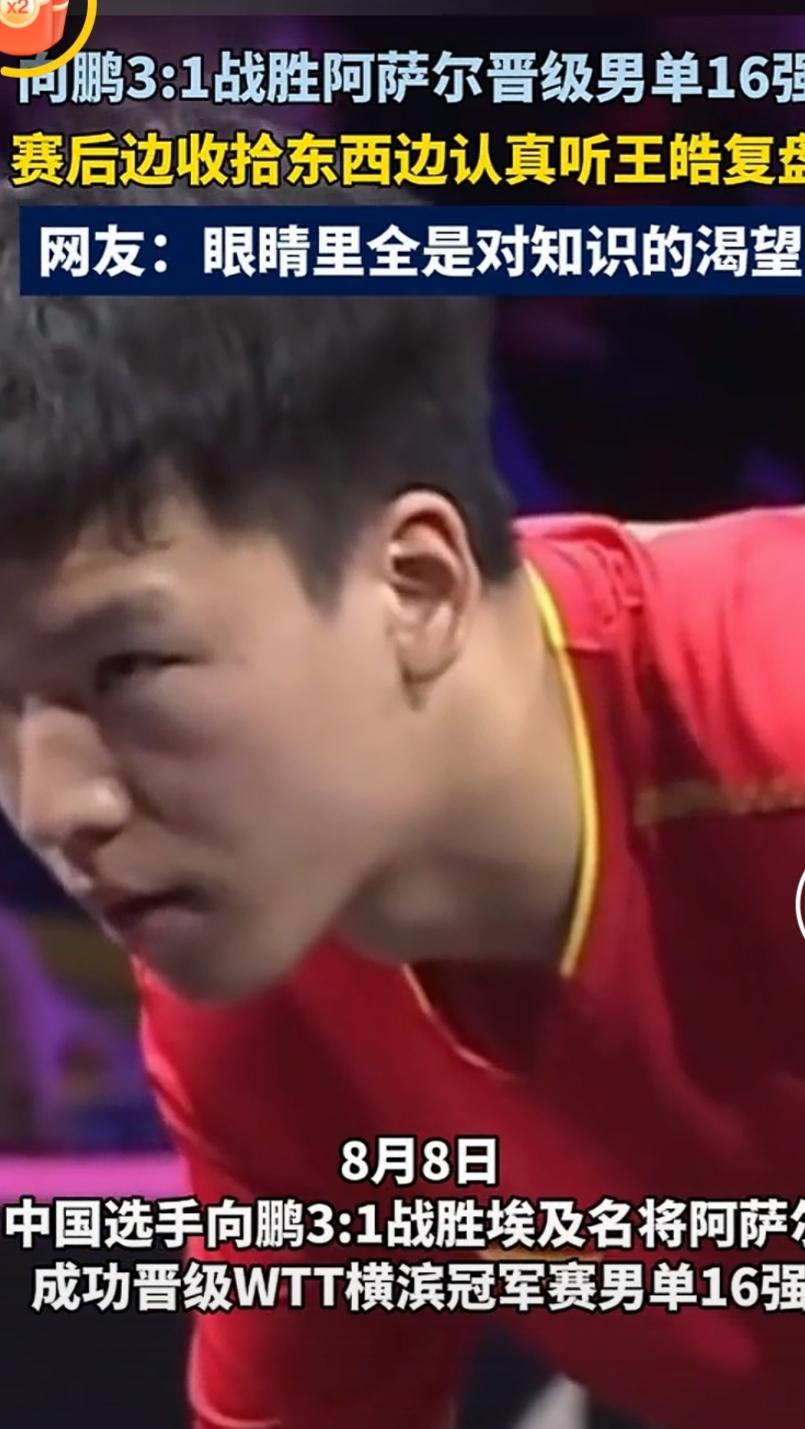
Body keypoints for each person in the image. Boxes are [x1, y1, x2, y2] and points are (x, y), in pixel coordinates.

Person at [0, 177, 804, 1429]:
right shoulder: (253, 978)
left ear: (415, 584)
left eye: (127, 669)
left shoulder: (775, 707)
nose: (55, 807)